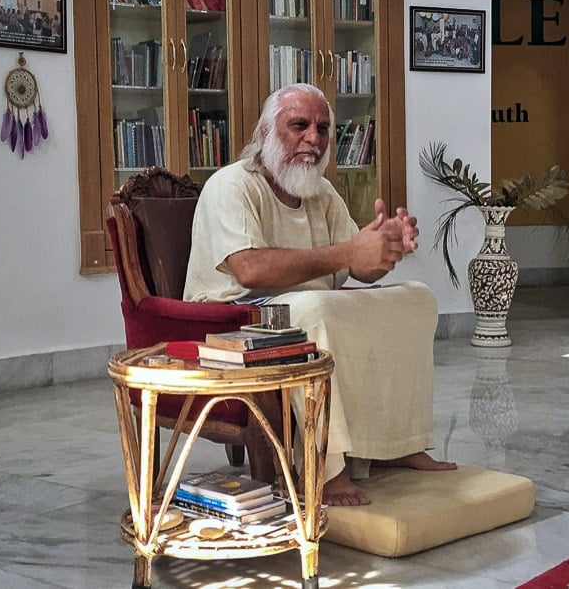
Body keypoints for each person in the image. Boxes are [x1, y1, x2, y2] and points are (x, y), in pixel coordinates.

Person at [184, 83, 456, 506]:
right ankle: (325, 467)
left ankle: (396, 444)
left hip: (306, 310)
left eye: (323, 128)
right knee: (313, 308)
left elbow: (357, 270)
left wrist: (385, 246)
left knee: (416, 297)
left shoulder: (321, 192)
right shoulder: (231, 185)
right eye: (299, 125)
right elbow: (249, 268)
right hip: (234, 320)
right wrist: (349, 251)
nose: (314, 138)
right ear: (264, 134)